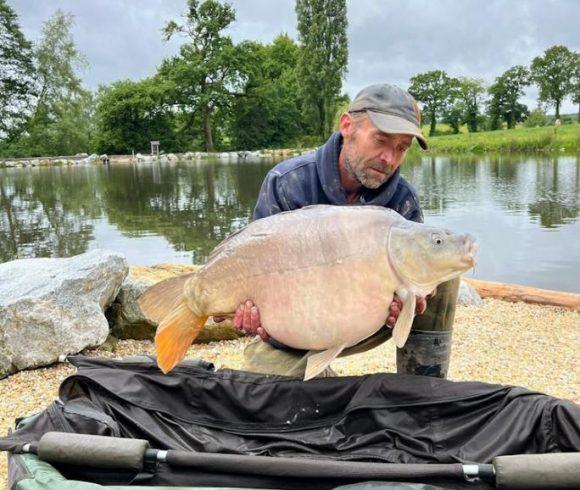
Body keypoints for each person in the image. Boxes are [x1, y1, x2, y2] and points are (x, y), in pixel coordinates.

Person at [221, 83, 460, 379]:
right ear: (347, 126)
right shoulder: (287, 183)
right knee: (291, 401)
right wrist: (254, 314)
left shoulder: (403, 200)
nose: (389, 158)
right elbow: (253, 266)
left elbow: (413, 295)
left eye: (401, 148)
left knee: (440, 261)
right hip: (297, 327)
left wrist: (414, 303)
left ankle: (423, 387)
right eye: (381, 140)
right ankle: (316, 376)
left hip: (368, 322)